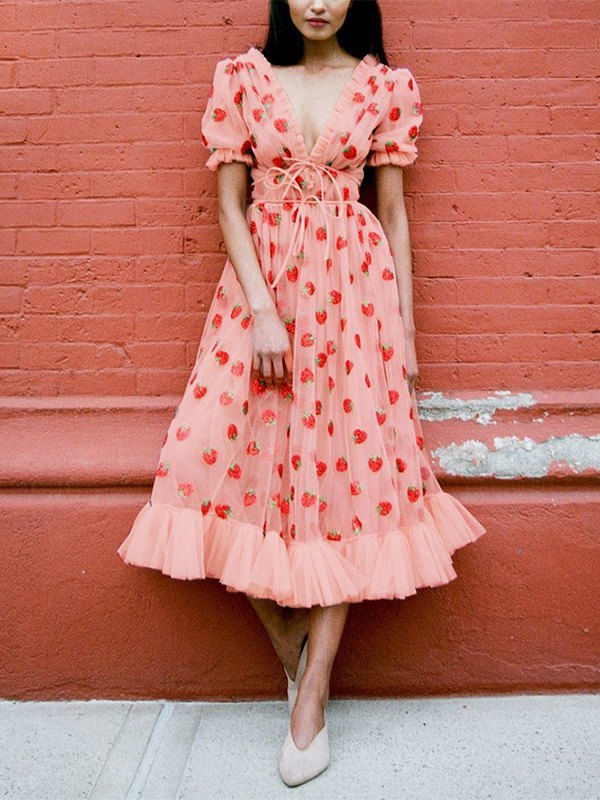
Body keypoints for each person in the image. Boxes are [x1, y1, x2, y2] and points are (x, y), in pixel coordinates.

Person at [117, 0, 487, 787]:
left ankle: (311, 696)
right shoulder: (246, 78)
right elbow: (228, 203)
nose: (318, 1)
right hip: (264, 297)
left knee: (342, 491)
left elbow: (392, 212)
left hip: (356, 302)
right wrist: (261, 313)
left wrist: (407, 334)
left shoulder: (385, 86)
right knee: (198, 461)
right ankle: (293, 648)